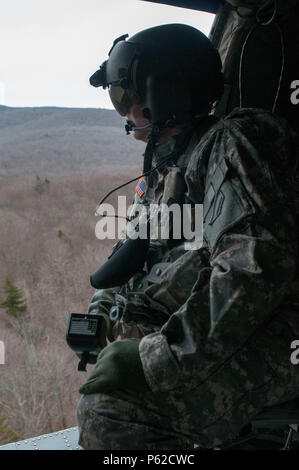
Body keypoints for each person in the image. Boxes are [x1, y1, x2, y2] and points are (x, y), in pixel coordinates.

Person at [76, 23, 299, 450]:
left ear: (165, 92)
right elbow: (133, 252)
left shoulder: (233, 146)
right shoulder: (172, 163)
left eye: (126, 95)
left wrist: (157, 357)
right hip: (232, 326)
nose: (123, 110)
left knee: (111, 413)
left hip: (279, 331)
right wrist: (105, 312)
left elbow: (253, 266)